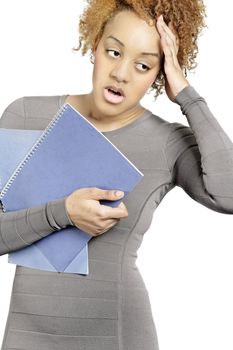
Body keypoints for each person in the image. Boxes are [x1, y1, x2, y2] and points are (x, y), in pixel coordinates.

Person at [0, 0, 233, 349]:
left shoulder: (168, 142)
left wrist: (187, 95)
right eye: (113, 52)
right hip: (28, 334)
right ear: (95, 45)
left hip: (118, 333)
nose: (122, 73)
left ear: (160, 74)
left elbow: (228, 195)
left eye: (143, 65)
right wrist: (62, 213)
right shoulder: (27, 114)